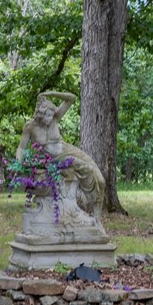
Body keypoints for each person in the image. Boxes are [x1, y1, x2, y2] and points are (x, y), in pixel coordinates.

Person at [16, 91, 105, 223]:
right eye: (47, 115)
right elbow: (21, 148)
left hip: (68, 150)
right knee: (84, 167)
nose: (50, 119)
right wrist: (18, 164)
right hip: (54, 158)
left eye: (52, 115)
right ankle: (93, 216)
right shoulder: (30, 127)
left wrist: (50, 93)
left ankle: (98, 218)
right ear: (40, 114)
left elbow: (71, 98)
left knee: (100, 180)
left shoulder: (55, 118)